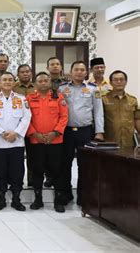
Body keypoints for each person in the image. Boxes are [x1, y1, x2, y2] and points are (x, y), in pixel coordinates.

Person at [59, 61, 104, 206]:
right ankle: (66, 194)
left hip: (85, 131)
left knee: (84, 164)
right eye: (76, 69)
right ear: (70, 72)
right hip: (66, 132)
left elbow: (98, 111)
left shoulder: (93, 89)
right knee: (64, 164)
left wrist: (99, 131)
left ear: (86, 73)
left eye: (82, 70)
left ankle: (82, 195)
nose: (79, 72)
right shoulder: (62, 88)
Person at [0, 72, 31, 211]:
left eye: (10, 80)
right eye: (4, 80)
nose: (7, 82)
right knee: (0, 173)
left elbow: (26, 117)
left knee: (17, 172)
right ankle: (1, 199)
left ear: (14, 83)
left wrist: (16, 133)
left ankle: (16, 199)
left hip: (16, 142)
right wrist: (1, 133)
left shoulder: (22, 99)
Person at [26, 72, 68, 213]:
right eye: (40, 81)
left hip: (55, 141)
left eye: (46, 80)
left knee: (57, 171)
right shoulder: (29, 98)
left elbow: (64, 117)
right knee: (37, 170)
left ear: (50, 82)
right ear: (35, 83)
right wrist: (34, 133)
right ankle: (38, 200)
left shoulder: (59, 98)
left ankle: (58, 200)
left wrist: (55, 133)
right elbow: (26, 118)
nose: (43, 83)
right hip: (36, 141)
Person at [44, 57, 69, 188]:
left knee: (61, 155)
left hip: (63, 121)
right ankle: (49, 176)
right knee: (48, 153)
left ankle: (60, 178)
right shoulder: (43, 81)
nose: (55, 66)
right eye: (52, 64)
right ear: (47, 67)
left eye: (57, 64)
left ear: (61, 67)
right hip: (47, 121)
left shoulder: (67, 83)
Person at [102, 70, 140, 151]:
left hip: (129, 143)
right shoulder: (104, 99)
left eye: (122, 79)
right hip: (109, 143)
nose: (119, 82)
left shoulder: (133, 100)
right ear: (111, 83)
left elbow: (137, 119)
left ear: (126, 82)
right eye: (115, 80)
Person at [13, 64, 35, 187]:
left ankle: (32, 180)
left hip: (34, 126)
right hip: (17, 127)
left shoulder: (37, 87)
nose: (25, 74)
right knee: (18, 157)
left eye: (27, 71)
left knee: (33, 156)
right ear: (18, 74)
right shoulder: (13, 88)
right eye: (22, 72)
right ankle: (17, 180)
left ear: (31, 73)